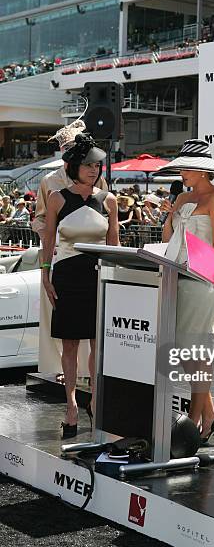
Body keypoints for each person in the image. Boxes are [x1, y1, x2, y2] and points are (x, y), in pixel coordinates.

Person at [41, 133, 119, 439]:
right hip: (67, 276)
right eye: (87, 165)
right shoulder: (57, 197)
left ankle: (97, 401)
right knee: (70, 343)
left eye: (97, 165)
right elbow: (48, 238)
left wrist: (117, 280)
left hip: (98, 276)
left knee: (99, 343)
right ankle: (72, 404)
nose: (94, 170)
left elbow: (115, 245)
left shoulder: (108, 199)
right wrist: (46, 274)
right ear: (73, 166)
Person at [159, 139, 214, 443]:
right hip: (176, 279)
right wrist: (168, 214)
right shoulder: (181, 198)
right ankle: (209, 417)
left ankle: (198, 419)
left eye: (186, 168)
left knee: (197, 351)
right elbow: (167, 239)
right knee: (186, 353)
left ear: (202, 171)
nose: (182, 173)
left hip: (203, 283)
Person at [32, 120, 108, 378]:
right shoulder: (49, 181)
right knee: (66, 332)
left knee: (96, 333)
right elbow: (41, 218)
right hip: (61, 258)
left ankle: (91, 382)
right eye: (68, 146)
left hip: (93, 265)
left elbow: (105, 217)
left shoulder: (99, 179)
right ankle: (64, 376)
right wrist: (50, 246)